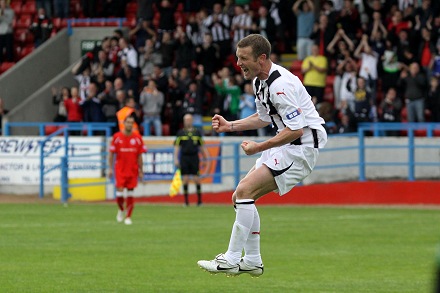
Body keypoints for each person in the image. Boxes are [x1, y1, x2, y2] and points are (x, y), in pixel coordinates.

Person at [197, 34, 328, 277]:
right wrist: (230, 126)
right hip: (286, 143)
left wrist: (259, 147)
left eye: (244, 58)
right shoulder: (259, 82)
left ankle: (232, 258)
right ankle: (253, 261)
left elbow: (296, 129)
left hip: (301, 147)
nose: (239, 64)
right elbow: (264, 117)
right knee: (240, 197)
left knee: (245, 191)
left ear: (262, 58)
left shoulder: (280, 86)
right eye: (237, 58)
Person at [108, 115, 147, 225]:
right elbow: (111, 154)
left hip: (132, 169)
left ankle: (128, 217)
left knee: (130, 193)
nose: (129, 124)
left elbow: (140, 156)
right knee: (120, 193)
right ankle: (121, 209)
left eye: (131, 122)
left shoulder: (137, 138)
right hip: (120, 169)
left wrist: (141, 170)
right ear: (124, 124)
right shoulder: (117, 137)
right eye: (128, 122)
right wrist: (110, 169)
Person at [173, 114, 208, 206]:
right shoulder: (180, 133)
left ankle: (199, 201)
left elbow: (201, 147)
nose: (187, 121)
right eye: (185, 120)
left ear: (192, 121)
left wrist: (205, 158)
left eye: (189, 120)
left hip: (194, 157)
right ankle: (186, 201)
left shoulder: (197, 133)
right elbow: (177, 147)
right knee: (185, 179)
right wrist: (176, 158)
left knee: (197, 179)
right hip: (184, 158)